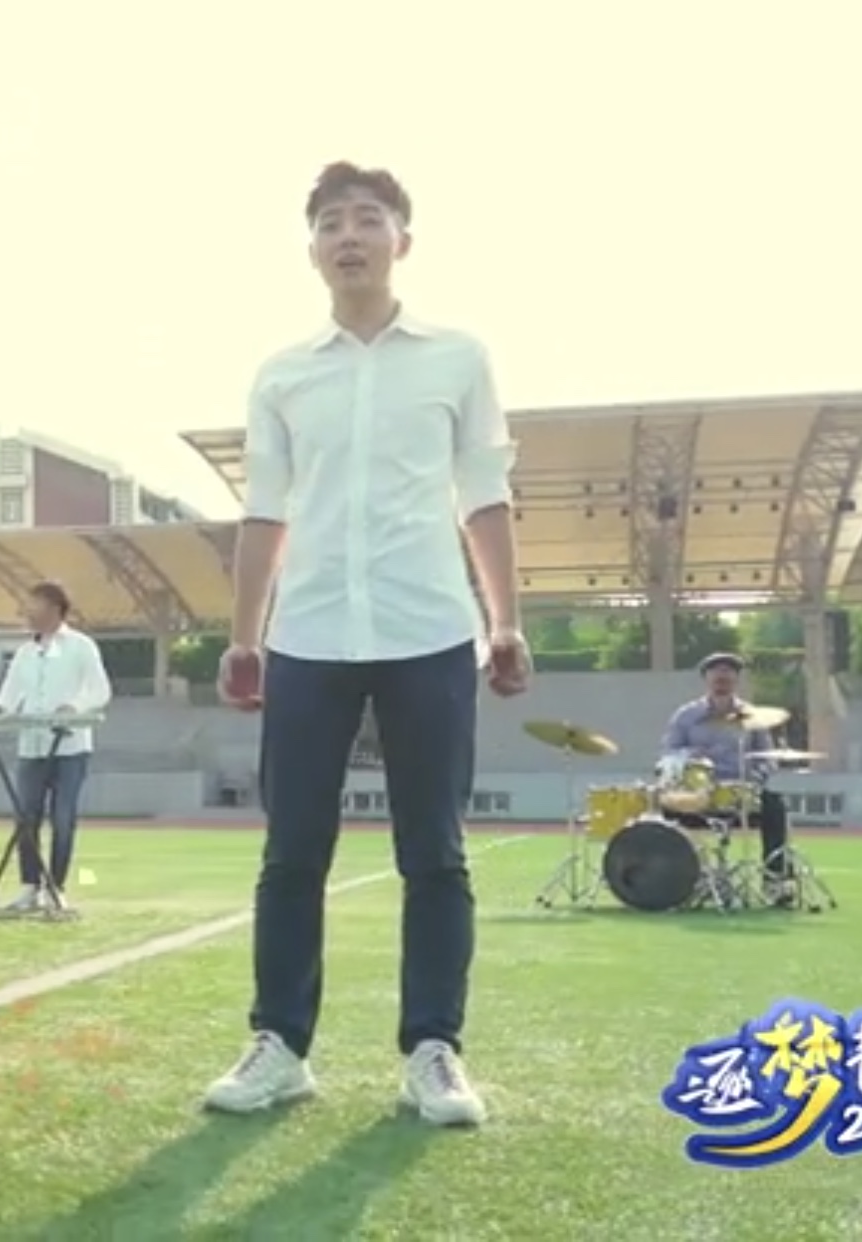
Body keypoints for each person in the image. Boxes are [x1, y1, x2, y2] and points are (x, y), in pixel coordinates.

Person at [203, 162, 529, 1126]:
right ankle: (280, 1047)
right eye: (331, 223)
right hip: (308, 633)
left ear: (402, 240)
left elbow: (484, 494)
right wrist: (244, 637)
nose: (349, 236)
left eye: (368, 219)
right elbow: (266, 510)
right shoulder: (283, 373)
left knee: (435, 852)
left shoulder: (458, 358)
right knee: (291, 851)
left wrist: (505, 620)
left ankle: (434, 1050)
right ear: (311, 249)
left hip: (428, 628)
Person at [0, 581, 112, 912]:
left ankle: (56, 886)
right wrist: (0, 712)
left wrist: (74, 707)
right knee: (26, 816)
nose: (28, 613)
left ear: (55, 609)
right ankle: (29, 886)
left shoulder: (81, 647)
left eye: (35, 606)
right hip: (32, 746)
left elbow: (100, 690)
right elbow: (10, 693)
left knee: (62, 817)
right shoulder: (25, 653)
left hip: (70, 748)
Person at [662, 652, 793, 903]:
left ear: (737, 679)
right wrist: (689, 756)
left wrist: (755, 779)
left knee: (775, 807)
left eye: (728, 671)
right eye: (716, 671)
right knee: (664, 809)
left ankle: (776, 882)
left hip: (740, 792)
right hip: (696, 792)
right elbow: (669, 752)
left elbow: (767, 757)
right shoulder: (685, 716)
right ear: (706, 678)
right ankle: (677, 881)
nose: (722, 676)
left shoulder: (753, 717)